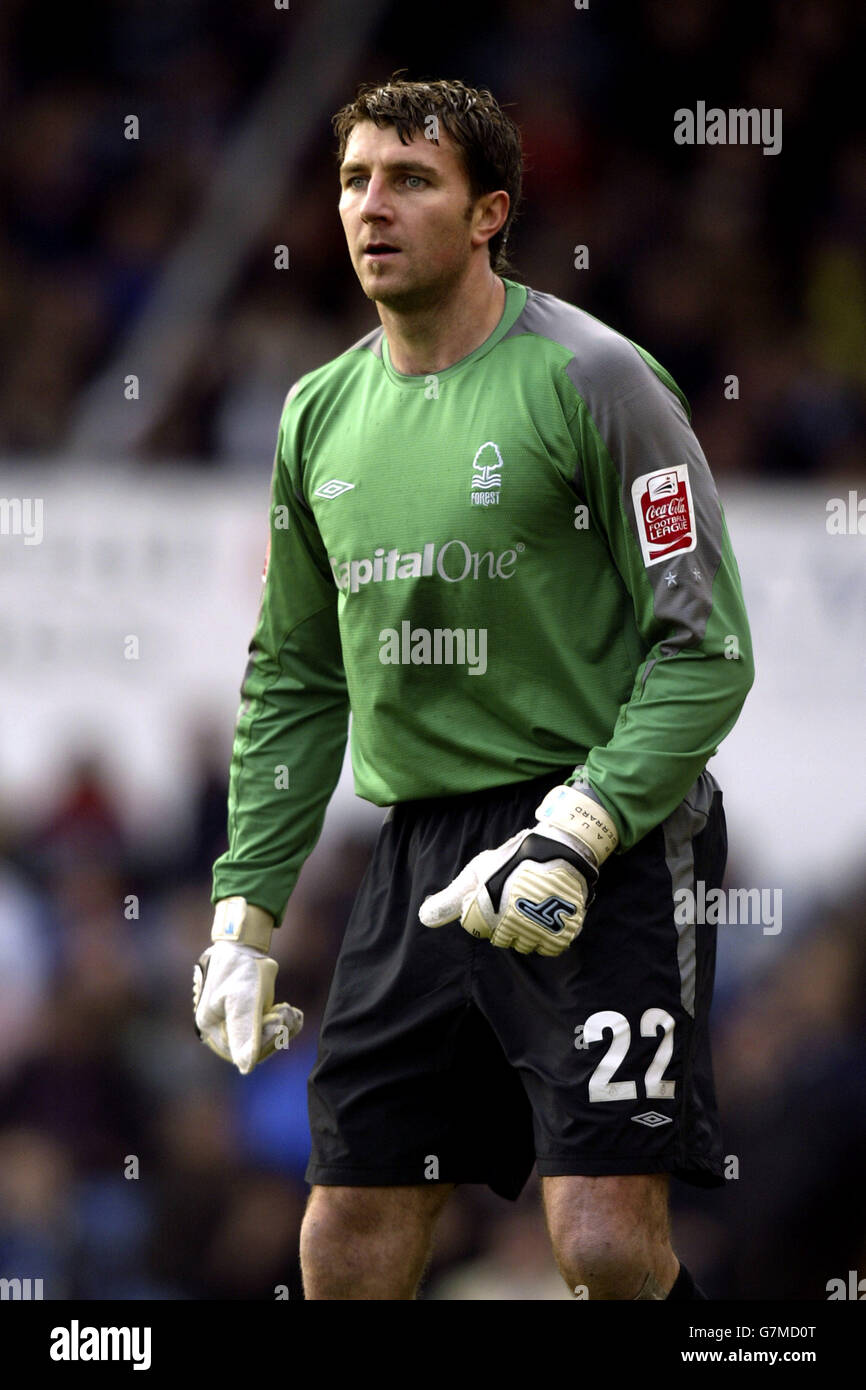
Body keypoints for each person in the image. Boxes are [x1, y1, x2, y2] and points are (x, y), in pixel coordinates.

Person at [193, 76, 754, 1301]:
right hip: (419, 859)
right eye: (352, 181)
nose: (370, 208)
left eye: (410, 180)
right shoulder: (318, 414)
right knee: (341, 1243)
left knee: (604, 1242)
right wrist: (244, 919)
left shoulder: (598, 380)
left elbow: (705, 647)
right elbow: (293, 674)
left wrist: (584, 824)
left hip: (602, 842)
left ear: (488, 210)